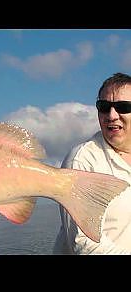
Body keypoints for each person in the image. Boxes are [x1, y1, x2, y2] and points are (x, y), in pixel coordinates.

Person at [53, 72, 131, 254]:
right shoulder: (81, 161)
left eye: (123, 107)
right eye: (104, 107)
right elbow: (84, 244)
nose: (111, 115)